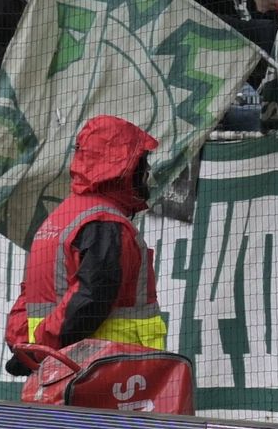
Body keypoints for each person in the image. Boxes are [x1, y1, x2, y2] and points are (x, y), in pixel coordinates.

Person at [8, 116, 167, 362]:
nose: (147, 171)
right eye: (141, 162)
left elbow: (27, 296)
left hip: (57, 370)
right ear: (123, 166)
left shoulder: (59, 219)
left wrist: (27, 350)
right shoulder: (105, 224)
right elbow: (90, 300)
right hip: (108, 374)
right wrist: (45, 348)